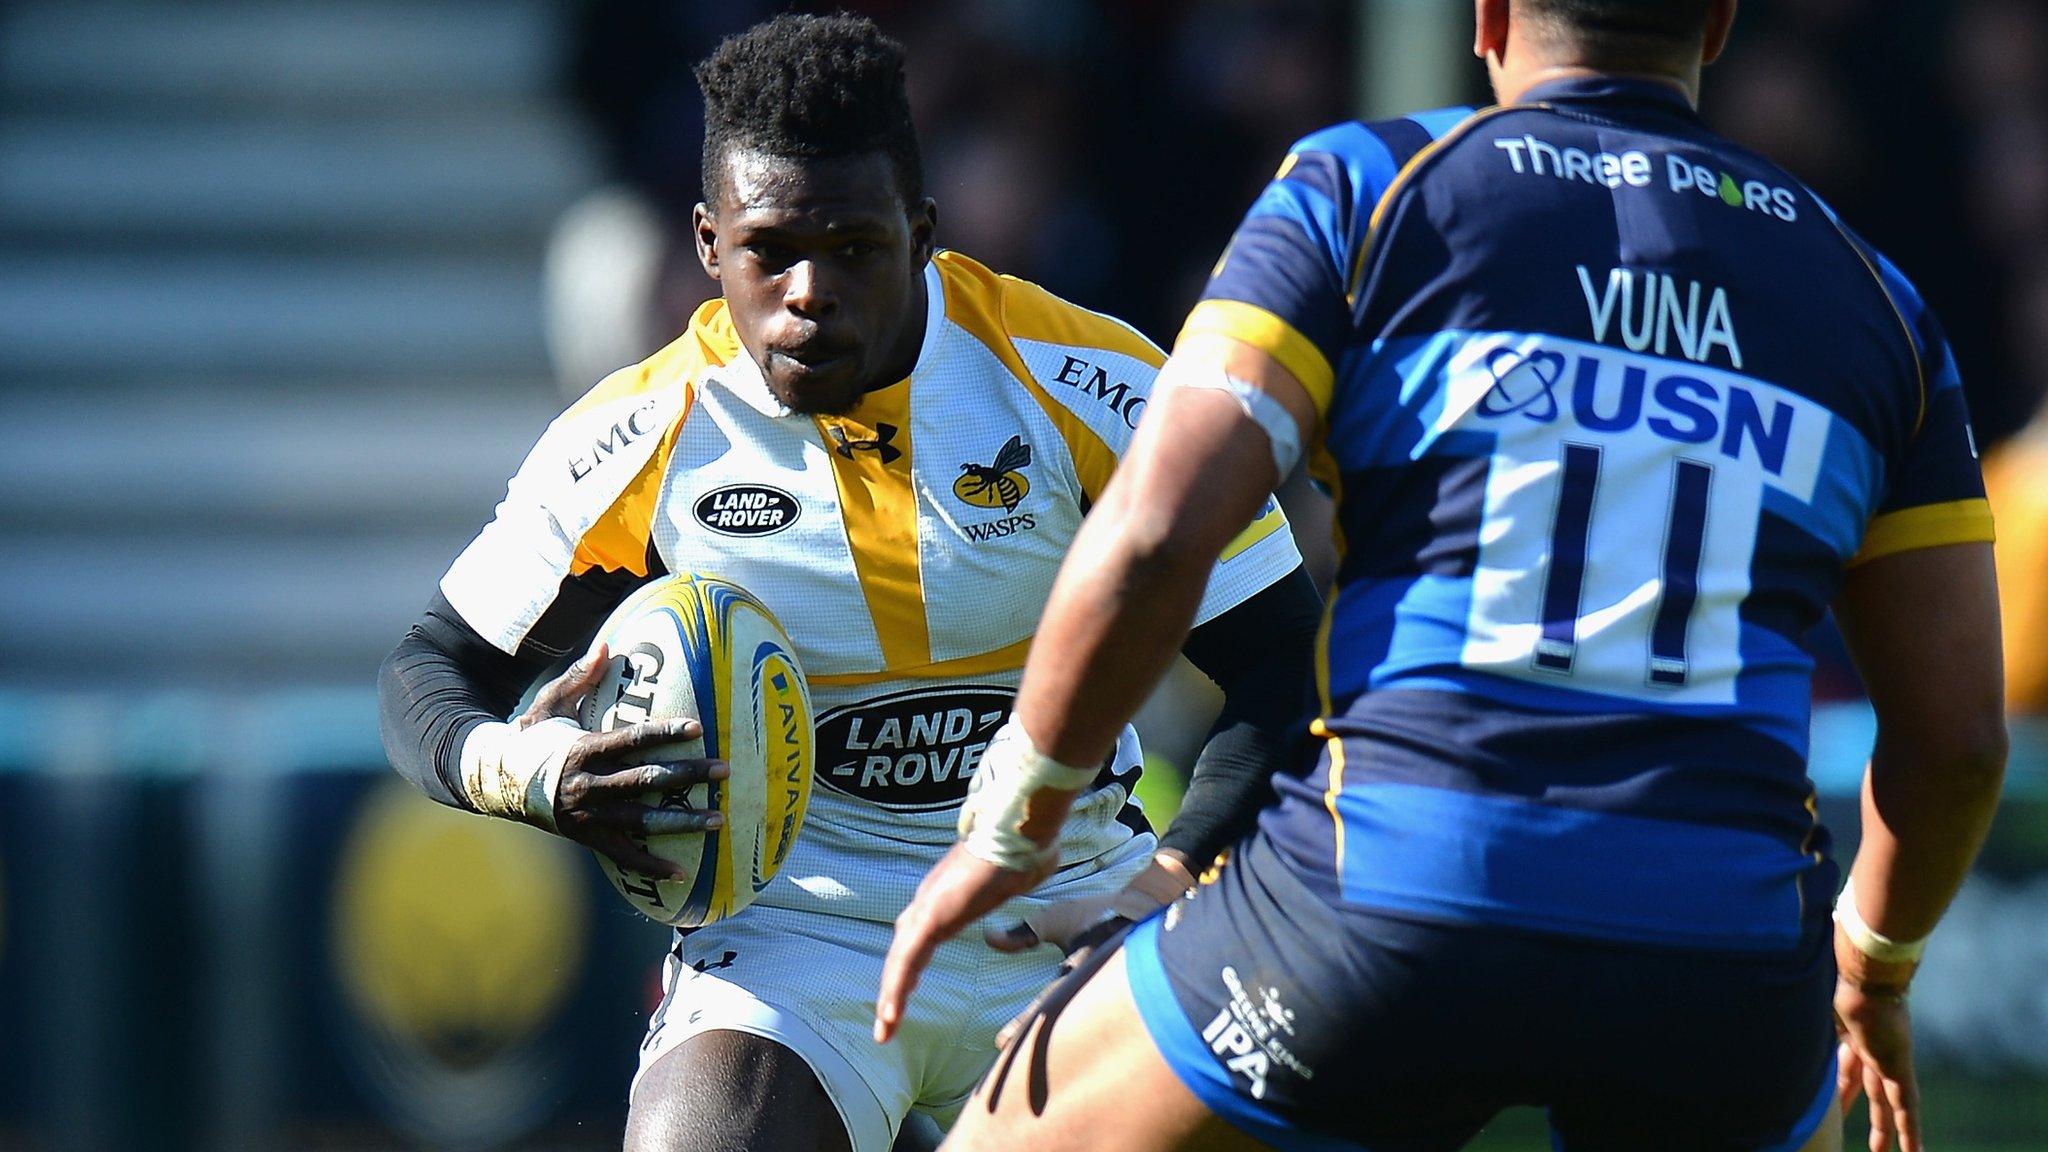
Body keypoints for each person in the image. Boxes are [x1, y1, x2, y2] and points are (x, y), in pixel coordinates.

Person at [879, 3, 2008, 1151]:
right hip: (1723, 961)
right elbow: (1959, 739)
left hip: (1384, 908)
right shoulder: (1872, 294)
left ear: (1486, 17)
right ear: (1716, 26)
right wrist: (1871, 966)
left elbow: (1153, 538)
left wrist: (1010, 833)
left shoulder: (1365, 188)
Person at [376, 14, 1319, 1152]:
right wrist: (530, 772)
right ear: (707, 242)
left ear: (921, 235)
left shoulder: (1092, 381)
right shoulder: (643, 433)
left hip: (1071, 905)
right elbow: (430, 671)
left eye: (856, 248)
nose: (809, 291)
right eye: (770, 250)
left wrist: (1170, 876)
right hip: (795, 941)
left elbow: (1285, 670)